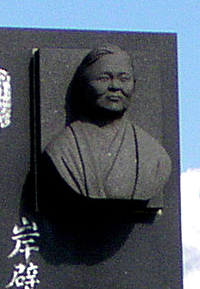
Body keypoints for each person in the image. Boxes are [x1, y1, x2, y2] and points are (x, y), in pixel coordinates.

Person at [43, 46, 173, 206]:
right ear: (83, 85)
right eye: (104, 79)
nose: (115, 87)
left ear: (134, 84)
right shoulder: (62, 150)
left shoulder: (155, 157)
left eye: (124, 79)